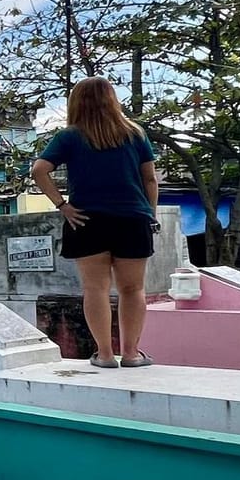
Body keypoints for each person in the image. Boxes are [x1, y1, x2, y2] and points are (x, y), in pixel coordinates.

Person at [30, 78, 160, 368]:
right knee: (133, 289)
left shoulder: (69, 137)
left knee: (96, 289)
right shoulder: (135, 134)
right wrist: (149, 213)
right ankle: (131, 354)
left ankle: (103, 354)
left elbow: (39, 170)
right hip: (132, 219)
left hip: (87, 220)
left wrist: (62, 205)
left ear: (76, 102)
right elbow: (150, 179)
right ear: (112, 99)